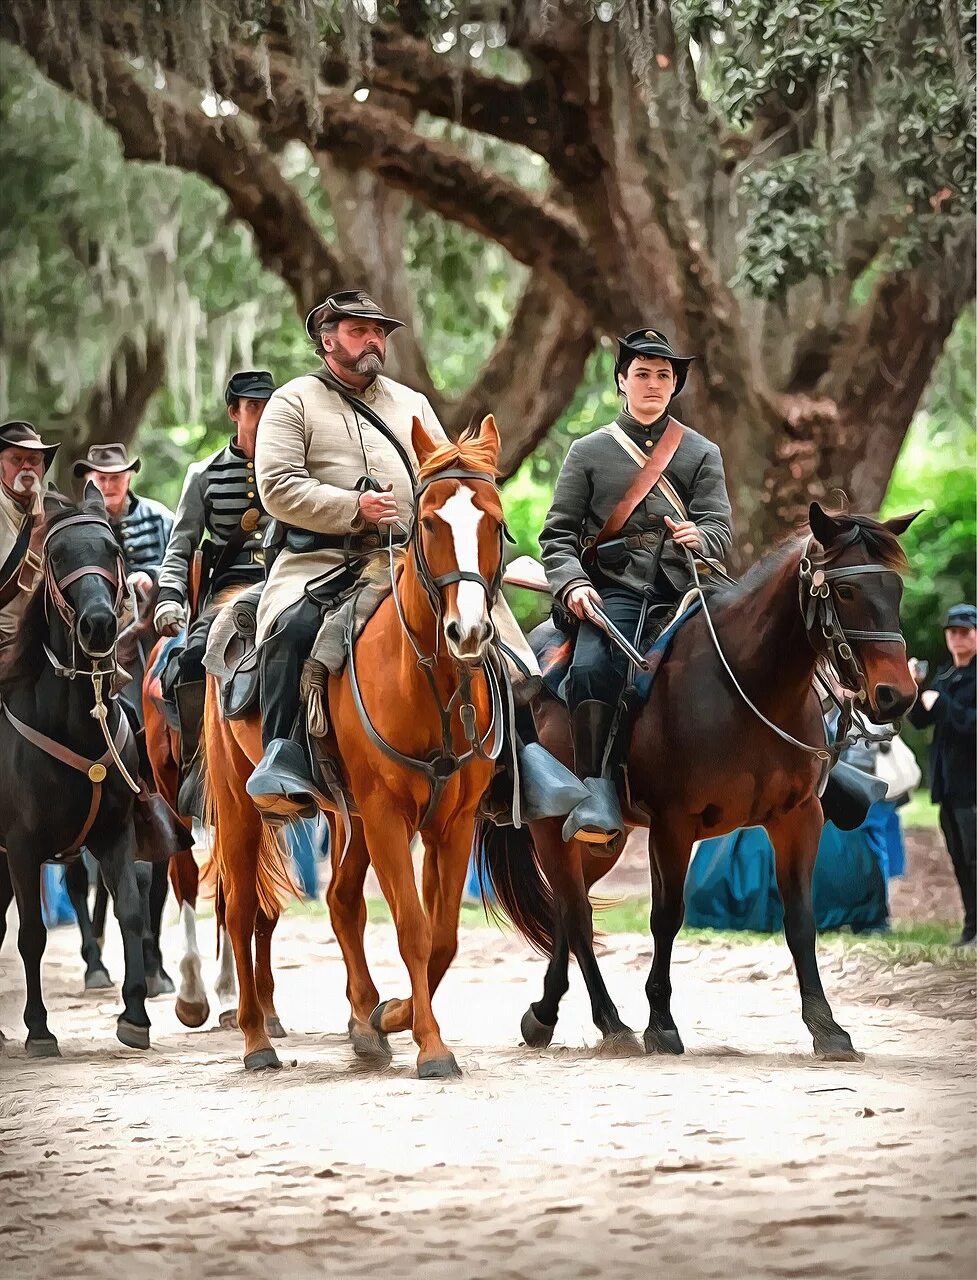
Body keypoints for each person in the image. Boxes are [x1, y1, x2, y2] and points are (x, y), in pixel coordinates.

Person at [246, 288, 538, 815]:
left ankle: (524, 758)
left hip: (409, 560)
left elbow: (446, 478)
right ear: (327, 338)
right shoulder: (293, 402)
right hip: (320, 562)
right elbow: (277, 487)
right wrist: (353, 507)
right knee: (290, 629)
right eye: (360, 331)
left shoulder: (413, 404)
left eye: (379, 332)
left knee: (496, 630)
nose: (373, 341)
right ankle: (282, 755)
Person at [538, 328, 732, 849]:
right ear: (622, 381)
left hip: (686, 587)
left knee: (760, 642)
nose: (652, 384)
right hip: (614, 589)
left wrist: (703, 536)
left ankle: (814, 765)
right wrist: (573, 585)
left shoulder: (700, 452)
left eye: (663, 376)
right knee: (592, 665)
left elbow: (720, 528)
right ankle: (597, 788)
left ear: (675, 386)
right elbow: (556, 536)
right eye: (641, 374)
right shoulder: (588, 452)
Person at [153, 370, 276, 764]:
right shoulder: (203, 474)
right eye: (254, 406)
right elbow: (180, 547)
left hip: (286, 582)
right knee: (192, 659)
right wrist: (170, 597)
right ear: (233, 413)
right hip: (228, 590)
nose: (264, 414)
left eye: (270, 405)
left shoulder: (294, 469)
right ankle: (198, 762)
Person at [72, 443, 173, 707]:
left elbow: (181, 562)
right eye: (101, 478)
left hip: (158, 623)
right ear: (88, 481)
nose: (108, 485)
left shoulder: (160, 517)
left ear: (128, 477)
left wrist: (152, 576)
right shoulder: (78, 525)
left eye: (115, 477)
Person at [908, 603, 977, 947]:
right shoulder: (946, 676)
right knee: (960, 859)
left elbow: (971, 725)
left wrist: (944, 704)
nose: (958, 637)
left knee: (975, 856)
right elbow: (922, 720)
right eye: (952, 632)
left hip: (972, 786)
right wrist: (917, 689)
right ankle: (971, 927)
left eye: (965, 631)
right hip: (947, 785)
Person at [0, 420, 60, 650]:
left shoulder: (56, 511)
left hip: (46, 647)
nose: (27, 466)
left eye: (34, 460)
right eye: (17, 459)